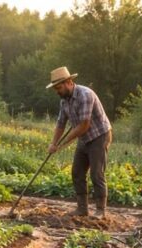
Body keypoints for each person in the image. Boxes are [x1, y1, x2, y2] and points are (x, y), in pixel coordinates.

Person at [46, 67, 113, 219]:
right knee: (77, 172)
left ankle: (101, 211)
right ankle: (82, 209)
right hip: (84, 138)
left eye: (59, 87)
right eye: (55, 88)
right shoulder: (64, 101)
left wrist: (65, 142)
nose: (57, 91)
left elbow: (84, 125)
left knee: (96, 173)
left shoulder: (85, 95)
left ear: (69, 82)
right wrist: (53, 143)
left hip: (99, 136)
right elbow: (60, 124)